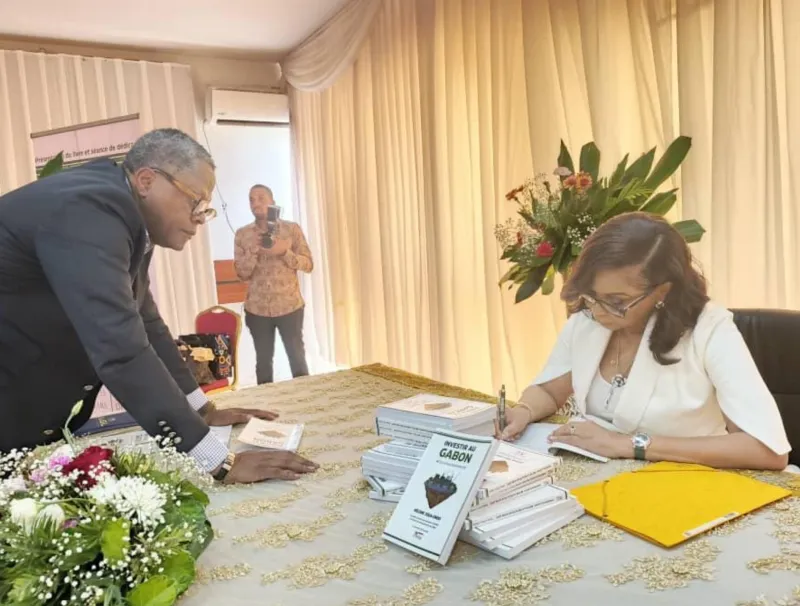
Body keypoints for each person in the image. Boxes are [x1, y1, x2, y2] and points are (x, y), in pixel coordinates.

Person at [0, 128, 318, 483]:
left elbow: (146, 322)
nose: (200, 217)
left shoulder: (121, 212)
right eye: (195, 201)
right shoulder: (89, 210)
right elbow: (121, 349)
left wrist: (202, 410)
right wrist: (220, 462)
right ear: (147, 180)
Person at [498, 212, 791, 471]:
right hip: (599, 479)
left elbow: (767, 449)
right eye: (592, 295)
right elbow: (549, 391)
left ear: (663, 291)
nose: (598, 310)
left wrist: (628, 445)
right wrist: (523, 411)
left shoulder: (710, 330)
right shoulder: (589, 319)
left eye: (617, 301)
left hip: (691, 481)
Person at [234, 185, 313, 384]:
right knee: (263, 364)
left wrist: (284, 252)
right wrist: (254, 251)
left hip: (290, 306)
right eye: (251, 199)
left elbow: (308, 264)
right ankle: (265, 410)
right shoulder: (243, 235)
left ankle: (309, 405)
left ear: (272, 201)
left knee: (298, 361)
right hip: (257, 310)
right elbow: (241, 274)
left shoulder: (291, 229)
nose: (255, 203)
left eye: (261, 198)